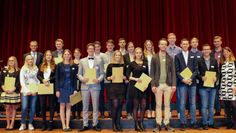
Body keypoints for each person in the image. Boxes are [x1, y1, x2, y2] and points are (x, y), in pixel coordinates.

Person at [151, 38, 176, 132]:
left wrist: (173, 84)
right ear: (158, 45)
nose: (163, 46)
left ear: (167, 46)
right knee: (158, 105)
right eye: (161, 44)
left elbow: (173, 72)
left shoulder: (170, 57)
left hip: (168, 85)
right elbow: (152, 72)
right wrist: (153, 85)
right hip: (158, 85)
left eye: (165, 44)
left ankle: (166, 123)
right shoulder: (154, 57)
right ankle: (158, 124)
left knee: (167, 105)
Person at [78, 43, 104, 132]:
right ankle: (85, 124)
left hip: (95, 86)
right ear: (87, 50)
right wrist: (82, 79)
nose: (91, 50)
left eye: (92, 49)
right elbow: (79, 74)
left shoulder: (99, 60)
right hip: (85, 86)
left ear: (94, 50)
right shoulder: (82, 61)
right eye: (89, 49)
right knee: (85, 106)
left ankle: (95, 124)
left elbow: (102, 74)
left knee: (95, 106)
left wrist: (99, 80)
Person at [175, 38, 198, 131]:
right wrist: (183, 79)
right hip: (182, 83)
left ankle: (193, 122)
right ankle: (183, 122)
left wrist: (190, 79)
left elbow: (196, 70)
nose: (185, 45)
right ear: (180, 45)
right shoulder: (177, 56)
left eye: (186, 44)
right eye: (183, 44)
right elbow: (176, 71)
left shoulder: (193, 55)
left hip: (192, 83)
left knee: (192, 103)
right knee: (182, 103)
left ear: (189, 45)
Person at [126, 47, 148, 131]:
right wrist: (135, 79)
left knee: (143, 105)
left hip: (143, 87)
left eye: (140, 53)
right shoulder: (132, 64)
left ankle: (141, 122)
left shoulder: (145, 63)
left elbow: (148, 75)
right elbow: (127, 75)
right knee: (135, 106)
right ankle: (136, 125)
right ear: (135, 54)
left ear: (142, 54)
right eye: (137, 53)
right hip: (134, 86)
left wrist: (146, 84)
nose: (138, 54)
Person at [197, 44, 219, 130]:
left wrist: (216, 77)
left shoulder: (214, 60)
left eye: (208, 49)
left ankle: (211, 122)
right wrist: (201, 77)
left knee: (211, 105)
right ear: (202, 51)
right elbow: (196, 73)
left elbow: (217, 72)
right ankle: (204, 123)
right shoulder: (199, 61)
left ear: (210, 51)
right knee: (204, 105)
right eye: (204, 49)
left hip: (213, 87)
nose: (206, 51)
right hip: (203, 87)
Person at [55, 49, 77, 131]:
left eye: (68, 54)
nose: (67, 55)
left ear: (70, 55)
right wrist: (57, 90)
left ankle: (68, 125)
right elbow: (57, 78)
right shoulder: (59, 65)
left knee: (68, 107)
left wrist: (75, 89)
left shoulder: (74, 65)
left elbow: (75, 79)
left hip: (70, 88)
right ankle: (63, 125)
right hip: (62, 88)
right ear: (63, 55)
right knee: (62, 106)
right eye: (65, 54)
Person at [106, 50, 126, 131]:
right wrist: (110, 78)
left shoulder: (124, 65)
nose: (118, 57)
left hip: (121, 87)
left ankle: (118, 123)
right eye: (116, 55)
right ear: (114, 56)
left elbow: (127, 77)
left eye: (119, 55)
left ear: (121, 57)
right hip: (113, 88)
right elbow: (107, 77)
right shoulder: (110, 66)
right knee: (115, 106)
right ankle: (113, 124)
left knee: (120, 107)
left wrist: (125, 77)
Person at [19, 55, 40, 131]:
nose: (30, 60)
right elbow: (22, 81)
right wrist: (27, 90)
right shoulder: (23, 68)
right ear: (26, 60)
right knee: (24, 107)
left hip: (34, 90)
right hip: (25, 91)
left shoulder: (36, 68)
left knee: (33, 107)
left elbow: (38, 80)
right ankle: (23, 123)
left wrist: (36, 89)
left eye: (31, 59)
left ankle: (30, 123)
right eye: (28, 59)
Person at [37, 50, 56, 131]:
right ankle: (44, 123)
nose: (48, 56)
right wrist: (43, 80)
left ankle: (51, 123)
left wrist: (49, 79)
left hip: (51, 87)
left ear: (52, 57)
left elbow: (56, 76)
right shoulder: (41, 65)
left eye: (50, 55)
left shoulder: (55, 65)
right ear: (45, 56)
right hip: (42, 86)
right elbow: (38, 75)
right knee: (42, 105)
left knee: (51, 105)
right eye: (47, 55)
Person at [23, 40, 43, 118]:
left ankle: (37, 112)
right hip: (28, 79)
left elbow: (41, 66)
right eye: (32, 46)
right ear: (30, 46)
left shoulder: (41, 55)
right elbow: (24, 67)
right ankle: (28, 112)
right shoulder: (25, 55)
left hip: (37, 78)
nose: (34, 47)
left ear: (37, 46)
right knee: (28, 95)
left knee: (36, 96)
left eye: (35, 46)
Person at [0, 56, 20, 130]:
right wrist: (4, 88)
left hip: (14, 91)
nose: (11, 62)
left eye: (12, 61)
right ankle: (7, 124)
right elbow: (1, 80)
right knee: (7, 107)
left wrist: (13, 89)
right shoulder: (4, 70)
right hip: (6, 91)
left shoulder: (18, 71)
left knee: (13, 107)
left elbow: (18, 82)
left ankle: (12, 124)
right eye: (9, 61)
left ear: (15, 62)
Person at [219, 47, 236, 130]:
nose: (225, 53)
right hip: (224, 87)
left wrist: (235, 86)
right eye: (224, 52)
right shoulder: (222, 63)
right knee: (227, 106)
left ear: (230, 52)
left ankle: (235, 123)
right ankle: (229, 124)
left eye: (227, 52)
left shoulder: (234, 62)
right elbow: (221, 76)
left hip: (233, 86)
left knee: (234, 105)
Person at [166, 33, 182, 118]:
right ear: (168, 39)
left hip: (178, 75)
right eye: (170, 38)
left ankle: (179, 112)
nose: (172, 39)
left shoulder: (179, 50)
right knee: (169, 94)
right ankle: (169, 111)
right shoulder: (165, 49)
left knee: (179, 95)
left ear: (175, 39)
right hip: (168, 75)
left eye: (173, 38)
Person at [94, 41, 108, 118]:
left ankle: (102, 112)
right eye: (95, 47)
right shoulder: (91, 55)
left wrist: (102, 73)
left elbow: (106, 66)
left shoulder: (104, 55)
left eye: (98, 47)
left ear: (100, 47)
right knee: (94, 96)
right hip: (93, 79)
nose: (97, 48)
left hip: (101, 79)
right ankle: (95, 112)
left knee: (101, 96)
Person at [211, 36, 223, 116]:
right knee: (215, 93)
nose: (216, 43)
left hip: (224, 74)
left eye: (218, 41)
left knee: (225, 93)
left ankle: (228, 111)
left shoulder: (225, 51)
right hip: (213, 75)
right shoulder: (211, 52)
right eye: (215, 41)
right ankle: (217, 110)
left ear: (221, 42)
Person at [143, 40, 156, 119]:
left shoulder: (155, 55)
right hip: (145, 77)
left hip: (153, 77)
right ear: (145, 45)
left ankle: (153, 111)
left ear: (152, 45)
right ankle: (148, 111)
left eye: (150, 44)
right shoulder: (143, 55)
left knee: (154, 95)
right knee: (146, 95)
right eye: (147, 45)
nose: (148, 46)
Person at [123, 42, 135, 119]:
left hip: (136, 79)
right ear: (127, 48)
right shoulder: (124, 56)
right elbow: (123, 68)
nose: (131, 48)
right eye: (129, 47)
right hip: (128, 80)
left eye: (132, 46)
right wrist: (126, 78)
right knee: (128, 97)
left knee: (135, 98)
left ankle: (134, 112)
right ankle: (129, 113)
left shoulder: (137, 55)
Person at [71, 48, 82, 119]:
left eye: (78, 53)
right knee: (73, 98)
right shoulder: (71, 62)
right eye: (75, 53)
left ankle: (78, 114)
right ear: (73, 54)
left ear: (80, 54)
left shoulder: (83, 62)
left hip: (81, 82)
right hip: (73, 83)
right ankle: (73, 114)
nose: (77, 54)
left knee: (80, 99)